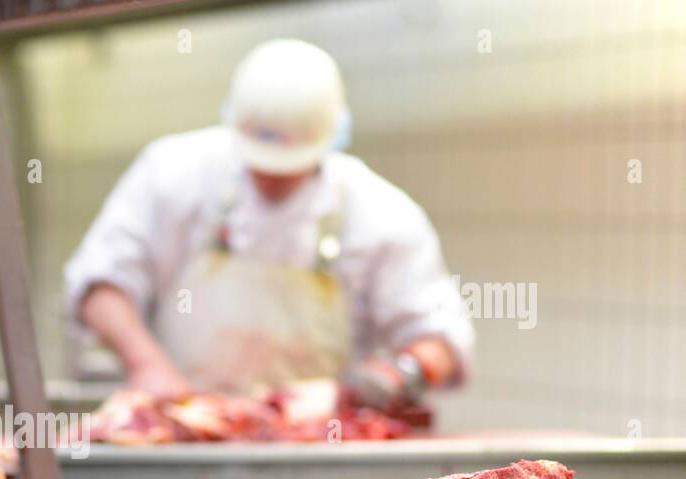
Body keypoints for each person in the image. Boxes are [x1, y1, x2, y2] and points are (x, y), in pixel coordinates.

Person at [63, 38, 473, 411]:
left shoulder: (383, 214)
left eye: (288, 168)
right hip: (187, 426)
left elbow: (439, 337)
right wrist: (146, 365)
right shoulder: (170, 174)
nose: (271, 179)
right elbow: (100, 284)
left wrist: (394, 377)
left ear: (334, 136)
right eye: (258, 163)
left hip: (324, 452)